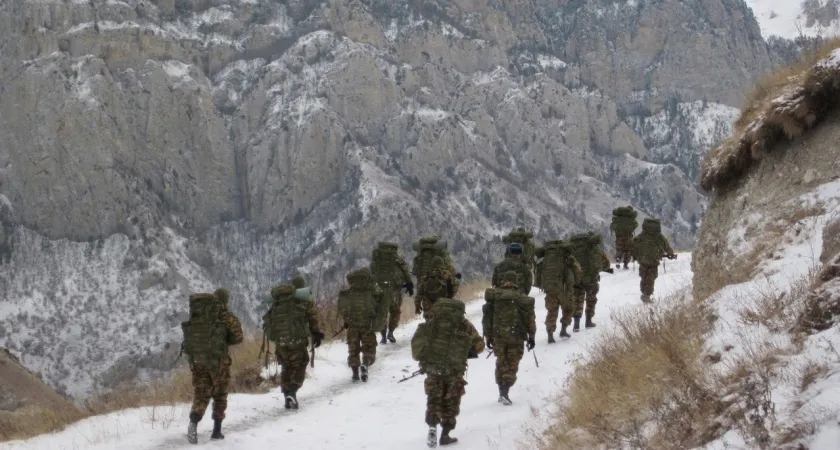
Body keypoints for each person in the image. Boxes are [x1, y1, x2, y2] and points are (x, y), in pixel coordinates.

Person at [411, 295, 484, 447]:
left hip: (433, 369)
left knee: (434, 399)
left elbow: (419, 347)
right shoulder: (464, 324)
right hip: (454, 371)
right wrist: (466, 351)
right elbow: (479, 346)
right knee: (452, 402)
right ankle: (445, 434)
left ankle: (432, 427)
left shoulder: (432, 323)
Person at [182, 288, 243, 444]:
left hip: (198, 361)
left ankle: (193, 422)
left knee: (201, 393)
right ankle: (216, 431)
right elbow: (238, 338)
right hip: (218, 362)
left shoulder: (198, 316)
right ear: (225, 301)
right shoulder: (226, 316)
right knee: (220, 394)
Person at [262, 275, 324, 409]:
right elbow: (313, 319)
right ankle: (292, 391)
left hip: (280, 341)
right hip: (297, 340)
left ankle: (287, 397)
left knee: (286, 366)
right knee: (301, 363)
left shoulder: (279, 302)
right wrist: (317, 334)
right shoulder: (305, 301)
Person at [482, 271, 536, 405]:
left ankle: (501, 391)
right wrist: (532, 336)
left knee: (501, 362)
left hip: (498, 336)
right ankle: (505, 391)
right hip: (516, 336)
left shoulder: (494, 297)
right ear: (516, 282)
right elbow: (530, 319)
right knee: (512, 363)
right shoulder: (521, 298)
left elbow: (487, 318)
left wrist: (488, 337)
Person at [337, 268, 387, 382]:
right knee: (369, 348)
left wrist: (347, 319)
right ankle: (365, 364)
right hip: (367, 324)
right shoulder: (373, 291)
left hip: (352, 325)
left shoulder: (349, 292)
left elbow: (343, 308)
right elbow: (382, 304)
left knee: (353, 350)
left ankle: (355, 373)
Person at [535, 240, 581, 342]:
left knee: (552, 311)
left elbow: (538, 276)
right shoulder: (568, 257)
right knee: (568, 309)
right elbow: (577, 270)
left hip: (550, 289)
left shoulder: (545, 260)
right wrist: (576, 283)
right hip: (565, 289)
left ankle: (550, 334)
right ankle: (563, 330)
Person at [567, 232, 613, 331]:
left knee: (577, 300)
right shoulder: (593, 248)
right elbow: (605, 263)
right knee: (591, 300)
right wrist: (606, 268)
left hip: (576, 279)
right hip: (591, 279)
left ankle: (576, 324)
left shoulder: (571, 250)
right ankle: (588, 321)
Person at [370, 242, 414, 343]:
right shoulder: (396, 259)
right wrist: (409, 284)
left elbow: (371, 274)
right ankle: (390, 332)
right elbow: (406, 271)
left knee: (382, 312)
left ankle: (383, 336)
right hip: (394, 290)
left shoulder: (376, 260)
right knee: (395, 312)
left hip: (380, 291)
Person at [631, 218, 677, 303]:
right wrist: (670, 253)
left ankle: (644, 292)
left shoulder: (642, 235)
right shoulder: (659, 236)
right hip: (654, 261)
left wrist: (634, 255)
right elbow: (666, 246)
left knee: (644, 276)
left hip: (642, 260)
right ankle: (646, 295)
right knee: (651, 277)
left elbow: (634, 244)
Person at [415, 256, 458, 320]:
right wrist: (450, 297)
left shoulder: (426, 276)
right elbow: (454, 287)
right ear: (442, 264)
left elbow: (419, 294)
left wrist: (417, 306)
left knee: (430, 324)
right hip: (444, 306)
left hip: (428, 308)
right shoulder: (446, 274)